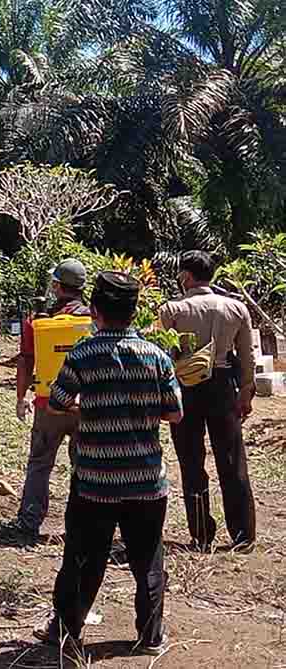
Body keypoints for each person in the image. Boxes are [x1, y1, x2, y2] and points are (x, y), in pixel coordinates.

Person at [36, 271, 182, 656]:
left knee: (83, 558)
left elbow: (56, 401)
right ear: (134, 312)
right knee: (148, 558)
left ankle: (67, 632)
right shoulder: (156, 356)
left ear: (95, 310)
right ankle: (150, 636)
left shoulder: (82, 354)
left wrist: (88, 406)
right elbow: (175, 413)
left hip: (95, 480)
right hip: (147, 480)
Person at [159, 250, 257, 551]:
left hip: (186, 387)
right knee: (232, 460)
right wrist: (245, 391)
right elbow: (247, 356)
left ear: (186, 276)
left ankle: (201, 534)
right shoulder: (236, 308)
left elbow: (164, 356)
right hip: (223, 385)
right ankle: (243, 535)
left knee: (191, 461)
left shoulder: (171, 309)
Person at [14, 259, 91, 538]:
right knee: (83, 466)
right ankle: (82, 524)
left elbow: (25, 361)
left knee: (40, 463)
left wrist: (21, 397)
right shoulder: (95, 320)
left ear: (57, 286)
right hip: (85, 405)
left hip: (48, 404)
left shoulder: (38, 320)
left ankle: (29, 522)